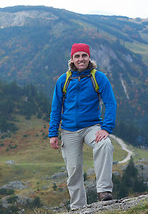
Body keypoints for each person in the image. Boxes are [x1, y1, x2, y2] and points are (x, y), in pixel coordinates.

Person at [48, 43, 117, 210]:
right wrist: (53, 134)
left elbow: (111, 104)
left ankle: (104, 191)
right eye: (77, 56)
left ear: (89, 58)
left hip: (92, 127)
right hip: (69, 130)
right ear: (72, 59)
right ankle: (79, 207)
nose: (81, 59)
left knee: (105, 144)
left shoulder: (98, 77)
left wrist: (106, 128)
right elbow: (56, 108)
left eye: (84, 56)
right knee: (74, 171)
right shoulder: (63, 80)